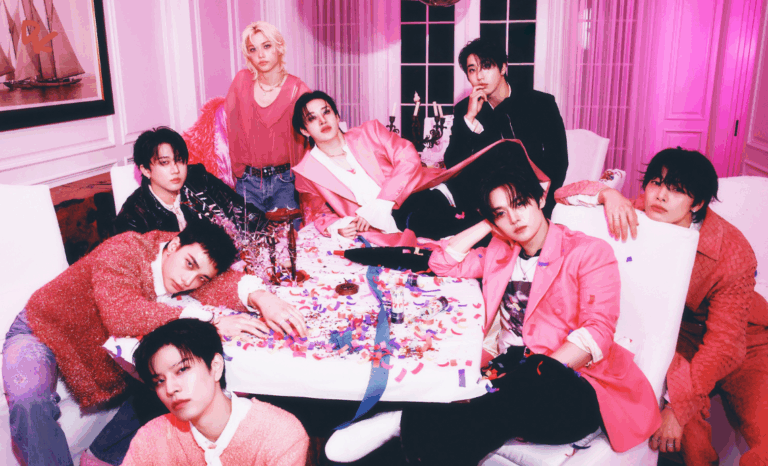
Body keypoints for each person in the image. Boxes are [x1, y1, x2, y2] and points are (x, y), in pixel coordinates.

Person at [324, 156, 660, 465]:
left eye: (520, 203)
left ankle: (400, 421)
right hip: (510, 375)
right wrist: (487, 225)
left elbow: (598, 332)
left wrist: (537, 373)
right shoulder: (501, 252)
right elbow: (443, 262)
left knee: (516, 395)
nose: (513, 218)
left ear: (540, 200)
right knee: (488, 407)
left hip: (573, 383)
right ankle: (419, 431)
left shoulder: (587, 251)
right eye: (500, 213)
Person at [2, 221, 306, 466]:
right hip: (40, 328)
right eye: (189, 264)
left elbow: (219, 283)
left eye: (200, 278)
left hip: (95, 347)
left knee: (169, 379)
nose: (188, 281)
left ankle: (102, 457)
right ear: (173, 245)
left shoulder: (183, 259)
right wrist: (209, 320)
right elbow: (121, 314)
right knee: (29, 401)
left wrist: (261, 297)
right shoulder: (124, 248)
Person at [555, 148, 768, 466]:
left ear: (697, 204)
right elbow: (562, 195)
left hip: (745, 342)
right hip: (678, 337)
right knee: (689, 440)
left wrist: (678, 409)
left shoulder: (733, 251)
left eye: (677, 189)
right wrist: (607, 194)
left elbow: (725, 345)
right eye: (656, 183)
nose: (662, 195)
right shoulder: (643, 209)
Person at [291, 91, 516, 247]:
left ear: (337, 115)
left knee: (492, 172)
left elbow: (408, 156)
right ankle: (503, 235)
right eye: (312, 118)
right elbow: (315, 214)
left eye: (326, 112)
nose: (323, 120)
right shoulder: (308, 171)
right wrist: (339, 226)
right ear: (304, 130)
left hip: (419, 193)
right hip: (388, 225)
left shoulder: (369, 132)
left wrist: (384, 201)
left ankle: (509, 233)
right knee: (451, 229)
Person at [121, 318, 308, 465]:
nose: (170, 389)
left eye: (182, 370)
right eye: (159, 381)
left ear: (216, 366)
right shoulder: (150, 439)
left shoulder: (280, 434)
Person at [443, 37, 568, 219]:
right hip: (486, 206)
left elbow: (559, 161)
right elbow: (453, 166)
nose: (479, 76)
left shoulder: (541, 104)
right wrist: (469, 119)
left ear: (502, 68)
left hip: (535, 201)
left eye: (486, 66)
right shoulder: (465, 109)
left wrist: (543, 205)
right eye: (472, 70)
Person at [115, 127, 268, 236]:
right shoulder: (133, 217)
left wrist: (270, 231)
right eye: (164, 163)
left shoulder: (198, 179)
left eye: (179, 160)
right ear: (146, 170)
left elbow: (243, 211)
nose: (175, 170)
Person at [225, 21, 310, 214]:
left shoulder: (298, 90)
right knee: (247, 234)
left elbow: (308, 143)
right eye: (253, 49)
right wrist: (240, 172)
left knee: (287, 234)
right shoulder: (241, 82)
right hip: (248, 182)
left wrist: (297, 180)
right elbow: (231, 128)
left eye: (266, 46)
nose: (260, 55)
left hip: (285, 183)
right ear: (248, 55)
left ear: (279, 47)